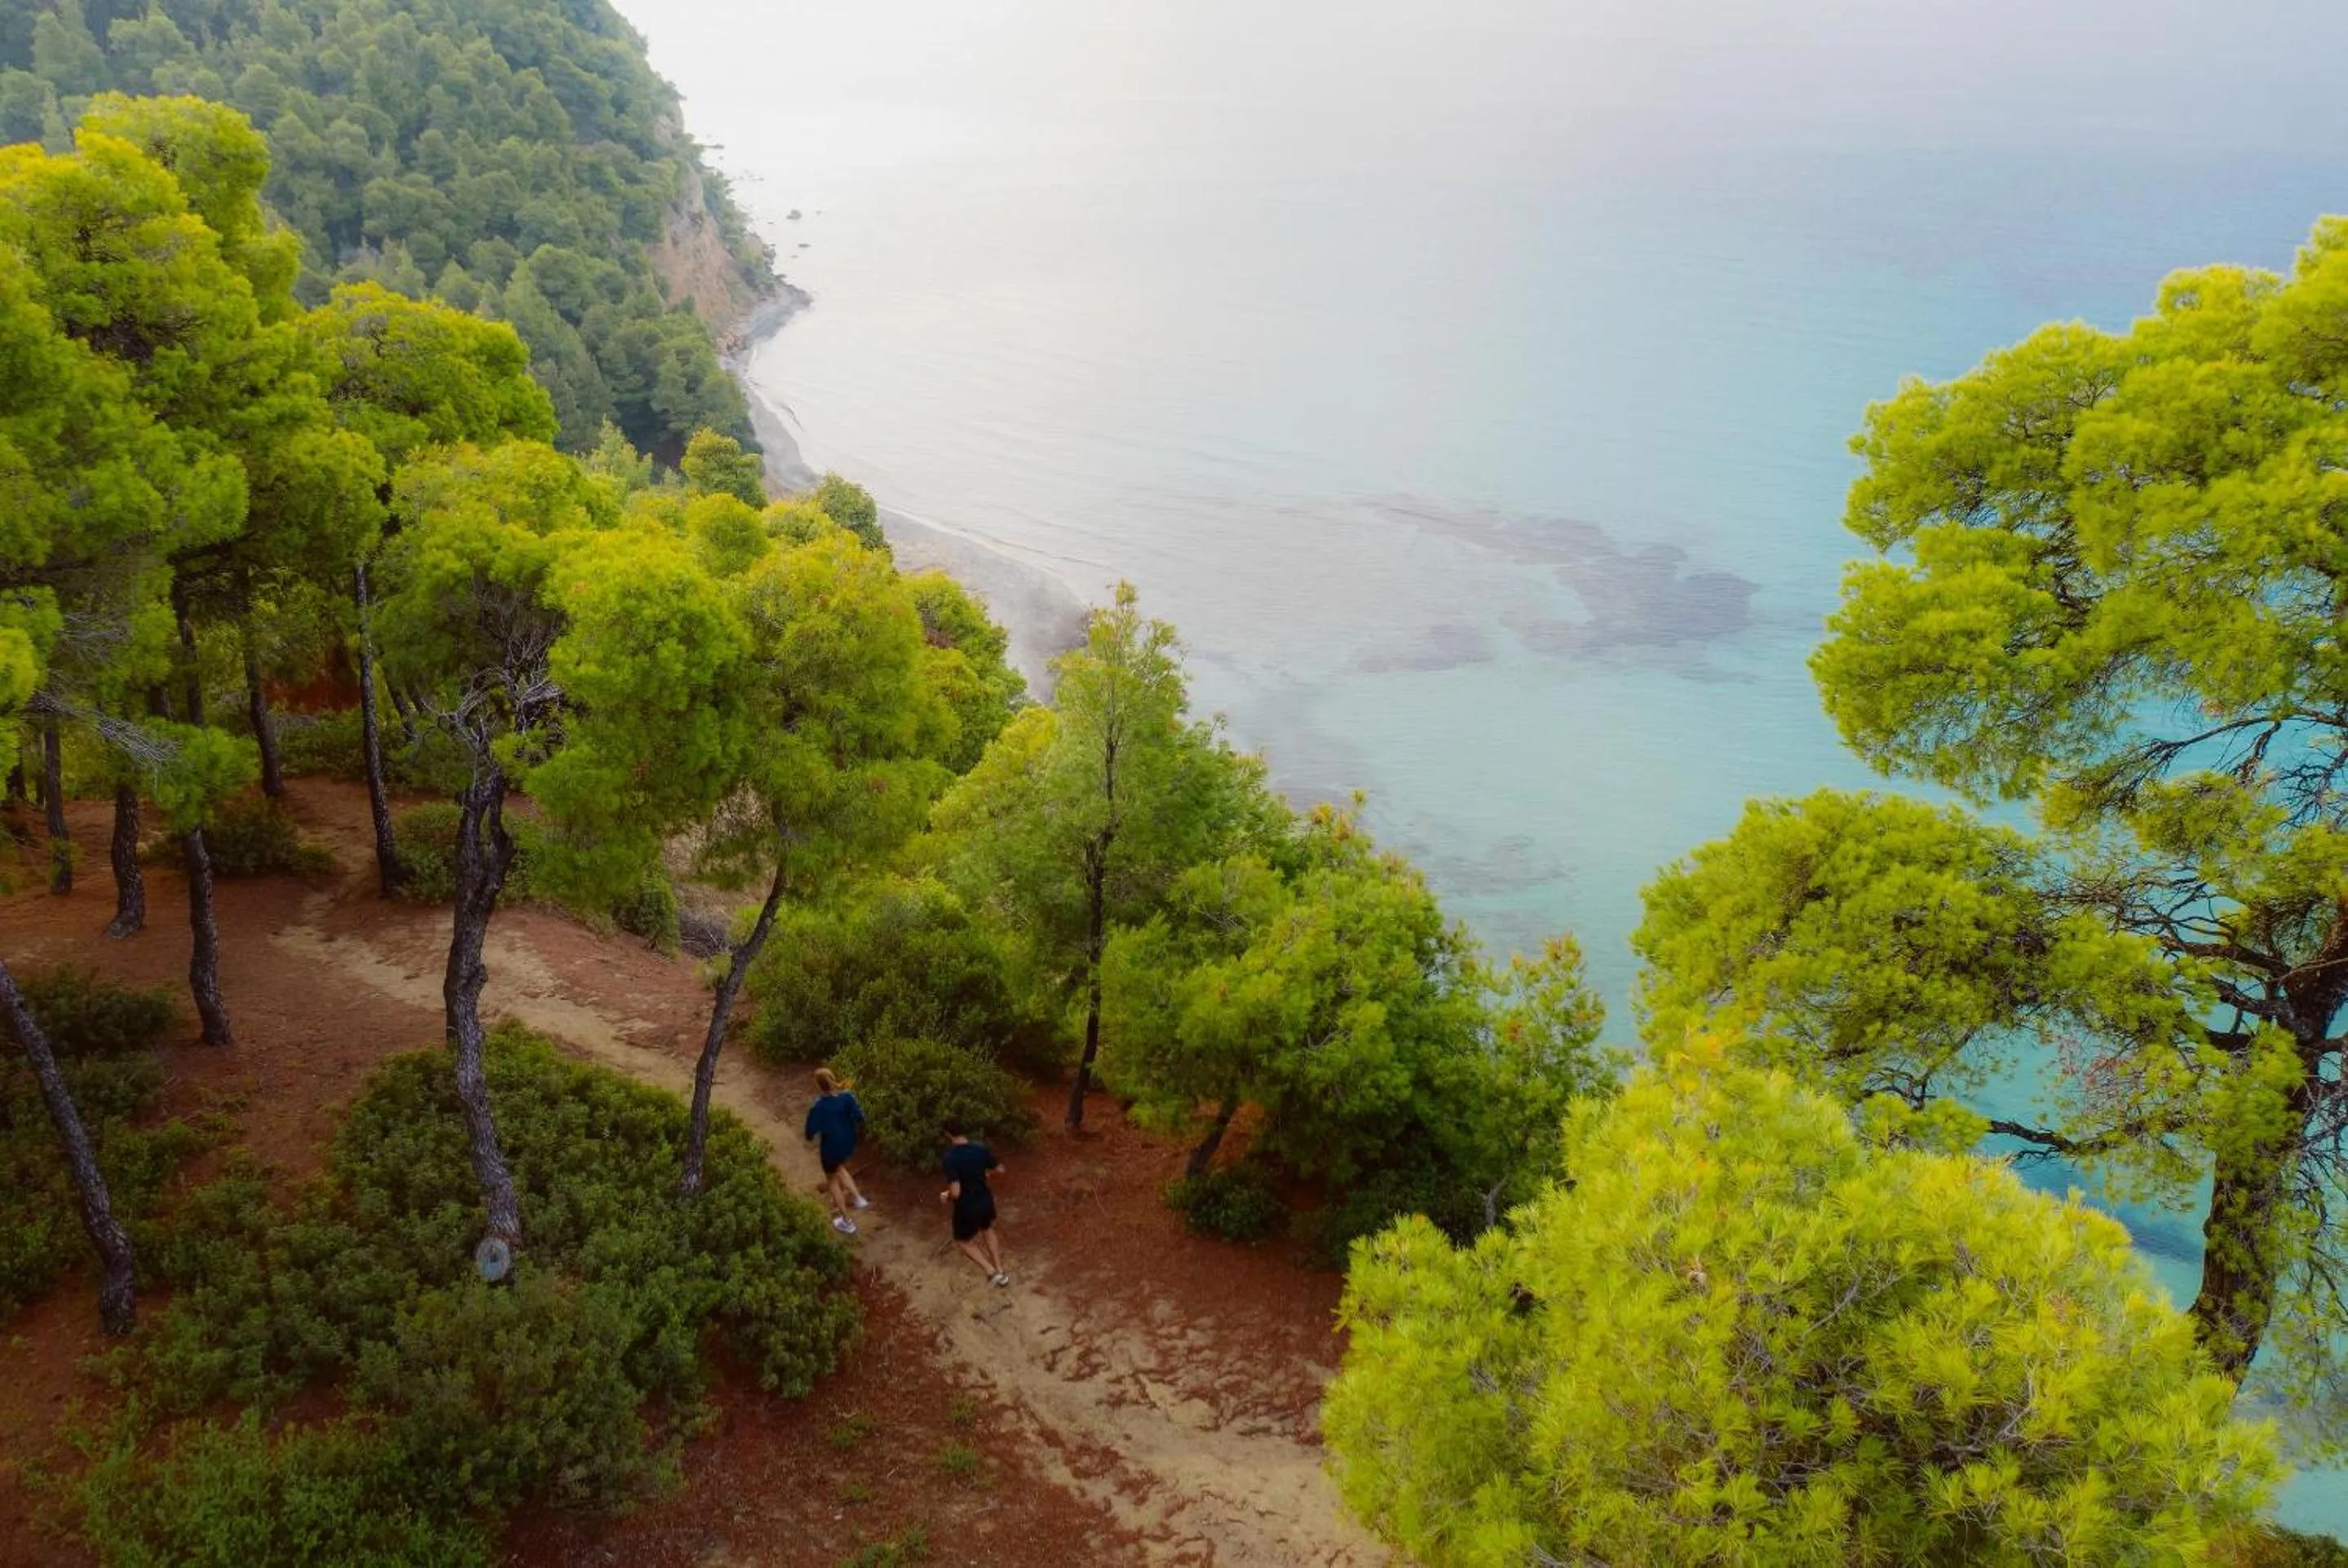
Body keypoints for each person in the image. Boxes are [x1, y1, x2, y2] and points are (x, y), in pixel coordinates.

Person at [939, 1120, 1007, 1285]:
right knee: (987, 1229)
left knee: (963, 1241)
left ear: (948, 1134)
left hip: (967, 1206)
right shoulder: (980, 1149)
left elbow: (956, 1192)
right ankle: (1000, 1269)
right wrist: (987, 1173)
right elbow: (1001, 1170)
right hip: (985, 1199)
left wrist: (946, 1196)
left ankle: (990, 1272)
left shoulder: (951, 1158)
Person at [803, 1067, 869, 1235]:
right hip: (847, 1142)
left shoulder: (818, 1107)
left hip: (830, 1147)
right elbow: (861, 1117)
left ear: (819, 1086)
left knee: (832, 1180)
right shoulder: (847, 1096)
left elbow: (809, 1133)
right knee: (839, 1167)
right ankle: (858, 1198)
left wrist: (814, 1134)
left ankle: (847, 1222)